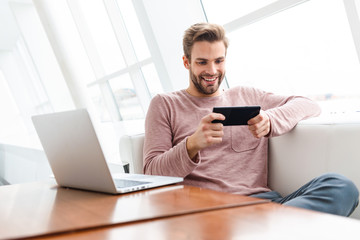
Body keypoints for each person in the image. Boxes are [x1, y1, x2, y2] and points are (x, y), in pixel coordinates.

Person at [143, 22, 358, 216]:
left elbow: (308, 104)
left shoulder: (247, 95)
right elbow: (151, 173)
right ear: (186, 62)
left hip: (264, 207)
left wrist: (270, 120)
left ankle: (275, 228)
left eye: (219, 61)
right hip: (209, 212)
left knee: (342, 187)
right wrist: (191, 145)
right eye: (202, 62)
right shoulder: (164, 104)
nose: (212, 70)